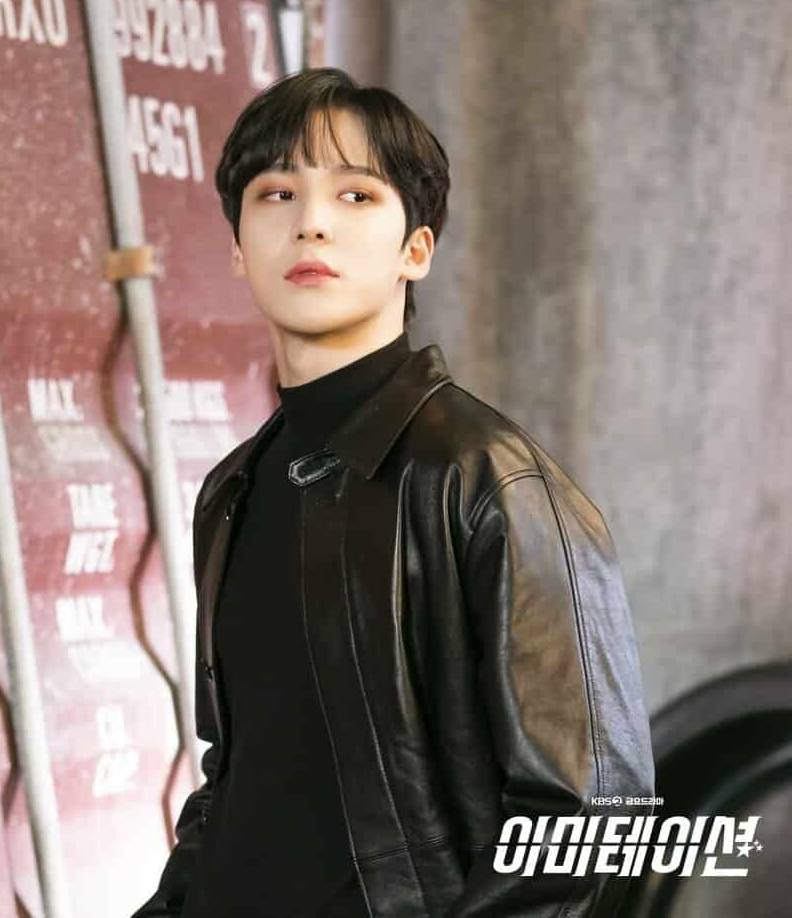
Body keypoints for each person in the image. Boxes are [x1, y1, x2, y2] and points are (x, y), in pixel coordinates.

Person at [132, 67, 655, 918]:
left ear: (417, 249)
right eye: (276, 194)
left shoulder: (489, 479)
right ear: (237, 249)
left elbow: (595, 817)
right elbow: (237, 770)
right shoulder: (232, 490)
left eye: (356, 195)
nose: (310, 222)